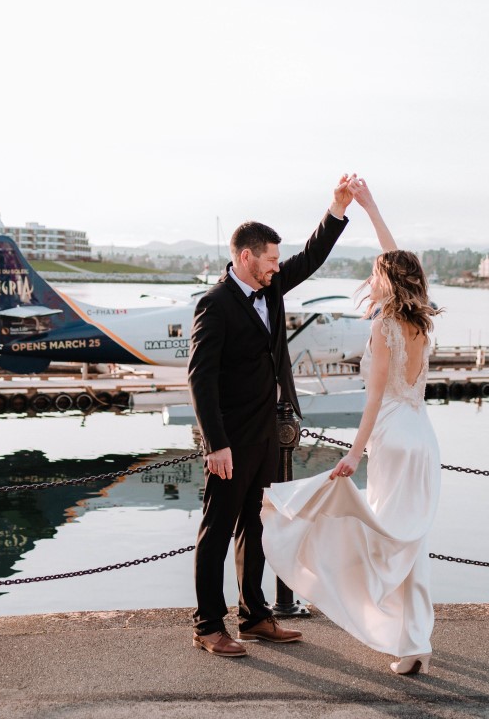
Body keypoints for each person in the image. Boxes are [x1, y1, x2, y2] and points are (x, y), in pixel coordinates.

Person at [262, 176, 442, 675]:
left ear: (386, 280)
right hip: (424, 437)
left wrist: (353, 454)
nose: (373, 277)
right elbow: (401, 259)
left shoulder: (385, 325)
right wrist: (370, 206)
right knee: (408, 540)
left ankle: (403, 636)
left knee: (385, 538)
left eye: (376, 273)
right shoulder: (421, 318)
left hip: (391, 436)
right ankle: (414, 640)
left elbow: (373, 400)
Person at [187, 175, 353, 657]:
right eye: (271, 259)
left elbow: (312, 257)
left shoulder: (272, 287)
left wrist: (337, 209)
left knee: (257, 527)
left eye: (279, 261)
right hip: (230, 439)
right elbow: (200, 378)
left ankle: (255, 615)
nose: (278, 267)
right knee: (217, 529)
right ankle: (207, 625)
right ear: (246, 256)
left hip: (267, 432)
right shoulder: (213, 305)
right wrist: (214, 442)